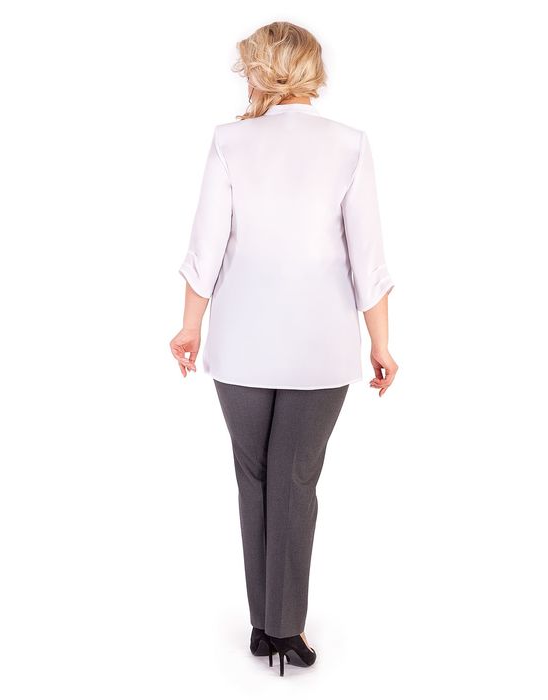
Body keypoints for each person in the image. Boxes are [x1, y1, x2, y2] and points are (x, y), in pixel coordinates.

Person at [170, 21, 398, 676]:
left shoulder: (229, 141)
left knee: (257, 479)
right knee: (295, 479)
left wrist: (189, 327)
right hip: (321, 347)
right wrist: (382, 343)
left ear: (260, 70)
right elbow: (367, 258)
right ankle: (285, 627)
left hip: (240, 344)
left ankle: (264, 627)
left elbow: (205, 249)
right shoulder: (349, 144)